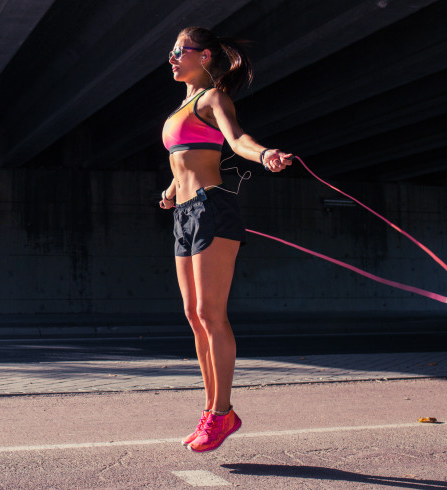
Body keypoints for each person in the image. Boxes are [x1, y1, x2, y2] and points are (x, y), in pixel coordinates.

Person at [159, 26, 292, 453]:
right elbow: (185, 160)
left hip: (212, 210)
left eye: (181, 51)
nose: (173, 58)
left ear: (206, 56)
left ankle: (222, 413)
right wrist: (168, 191)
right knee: (193, 315)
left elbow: (236, 141)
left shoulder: (212, 98)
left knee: (210, 313)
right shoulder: (183, 105)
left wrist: (266, 154)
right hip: (184, 213)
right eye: (172, 52)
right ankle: (212, 411)